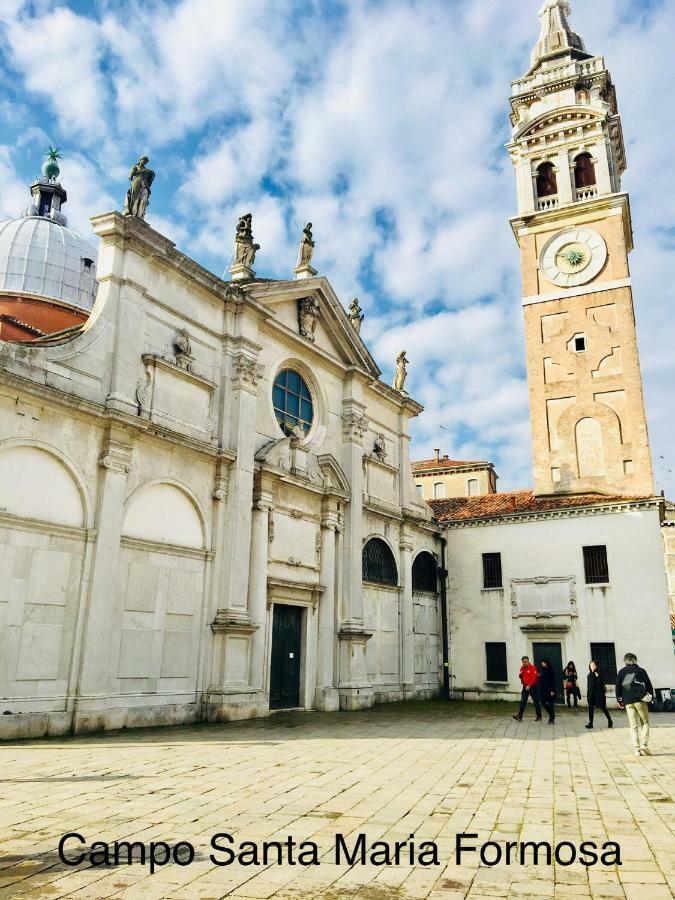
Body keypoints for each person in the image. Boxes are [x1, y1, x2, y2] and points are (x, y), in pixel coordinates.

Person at [615, 653, 654, 757]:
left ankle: (636, 749)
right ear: (635, 660)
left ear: (625, 661)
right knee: (645, 722)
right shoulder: (640, 670)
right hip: (640, 700)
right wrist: (651, 698)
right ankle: (644, 745)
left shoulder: (621, 672)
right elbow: (648, 685)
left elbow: (618, 687)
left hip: (628, 702)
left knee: (633, 725)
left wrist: (619, 700)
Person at [512, 656, 542, 722]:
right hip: (525, 687)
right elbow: (521, 676)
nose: (524, 663)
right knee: (523, 701)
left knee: (536, 701)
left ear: (528, 661)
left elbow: (534, 678)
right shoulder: (522, 668)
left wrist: (529, 685)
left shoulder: (533, 668)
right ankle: (519, 716)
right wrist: (520, 675)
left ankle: (539, 716)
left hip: (532, 687)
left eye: (525, 662)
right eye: (523, 662)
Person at [585, 661, 613, 729]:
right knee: (590, 709)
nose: (592, 667)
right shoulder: (589, 675)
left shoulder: (599, 673)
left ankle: (610, 720)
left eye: (593, 665)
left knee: (603, 708)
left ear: (596, 666)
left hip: (599, 694)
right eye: (591, 665)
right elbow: (589, 686)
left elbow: (599, 683)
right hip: (591, 694)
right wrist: (589, 695)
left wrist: (597, 676)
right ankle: (590, 723)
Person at [539, 658, 556, 724]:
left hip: (550, 690)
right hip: (544, 690)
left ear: (546, 663)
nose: (542, 664)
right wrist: (540, 676)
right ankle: (552, 715)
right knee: (543, 702)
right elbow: (544, 678)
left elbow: (552, 681)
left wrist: (552, 690)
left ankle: (551, 718)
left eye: (543, 662)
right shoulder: (544, 670)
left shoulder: (551, 671)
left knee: (550, 704)